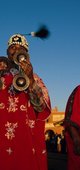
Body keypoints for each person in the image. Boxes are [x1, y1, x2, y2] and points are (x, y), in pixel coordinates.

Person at [0, 34, 51, 170]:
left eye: (20, 48)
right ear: (7, 52)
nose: (16, 50)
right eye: (12, 47)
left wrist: (31, 81)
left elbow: (41, 108)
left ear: (26, 54)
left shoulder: (35, 78)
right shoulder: (1, 76)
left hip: (27, 142)